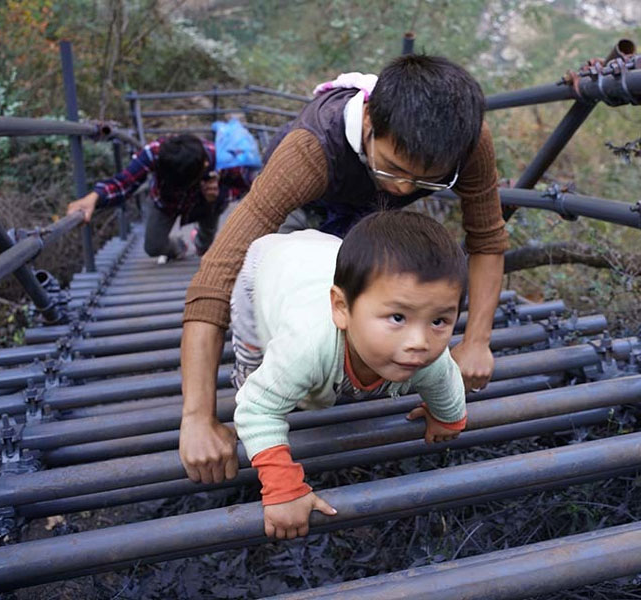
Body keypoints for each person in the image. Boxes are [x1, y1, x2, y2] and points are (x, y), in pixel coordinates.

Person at [179, 54, 508, 486]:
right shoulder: (308, 152)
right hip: (307, 211)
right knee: (303, 297)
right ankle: (284, 377)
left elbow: (486, 237)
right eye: (395, 167)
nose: (406, 188)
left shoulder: (466, 136)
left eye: (426, 181)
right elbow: (217, 276)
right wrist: (198, 416)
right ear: (370, 119)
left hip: (373, 217)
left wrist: (478, 341)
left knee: (382, 302)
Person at [232, 210, 468, 539]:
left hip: (325, 254)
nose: (420, 343)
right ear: (342, 309)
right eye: (398, 317)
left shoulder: (429, 353)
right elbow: (257, 409)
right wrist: (283, 487)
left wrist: (447, 417)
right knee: (252, 364)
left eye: (440, 321)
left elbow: (446, 380)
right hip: (267, 267)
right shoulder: (305, 346)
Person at [66, 134, 253, 259]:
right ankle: (180, 247)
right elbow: (125, 182)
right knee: (153, 248)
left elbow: (246, 186)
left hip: (205, 204)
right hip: (166, 202)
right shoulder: (154, 154)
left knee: (206, 249)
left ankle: (200, 242)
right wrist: (94, 197)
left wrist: (219, 194)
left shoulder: (220, 160)